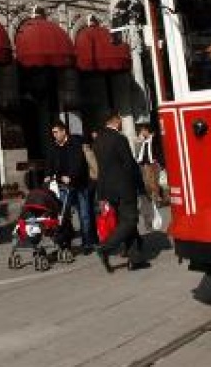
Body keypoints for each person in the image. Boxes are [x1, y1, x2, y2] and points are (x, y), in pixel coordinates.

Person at [93, 112, 146, 273]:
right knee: (130, 220)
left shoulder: (98, 140)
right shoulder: (119, 138)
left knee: (124, 222)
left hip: (108, 190)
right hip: (124, 188)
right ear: (115, 121)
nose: (122, 123)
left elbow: (101, 169)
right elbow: (129, 165)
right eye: (121, 120)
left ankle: (134, 259)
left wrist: (101, 194)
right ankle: (105, 248)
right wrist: (140, 187)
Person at [46, 119, 93, 255]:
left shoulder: (75, 143)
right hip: (62, 186)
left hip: (79, 184)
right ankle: (65, 242)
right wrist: (48, 175)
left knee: (84, 215)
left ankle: (87, 243)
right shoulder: (53, 146)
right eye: (53, 133)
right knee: (63, 215)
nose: (54, 135)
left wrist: (71, 177)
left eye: (56, 132)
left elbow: (79, 163)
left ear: (63, 131)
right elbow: (49, 164)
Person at [136, 123, 164, 231]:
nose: (141, 133)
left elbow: (159, 151)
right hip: (145, 165)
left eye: (143, 131)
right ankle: (155, 198)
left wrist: (160, 163)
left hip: (153, 164)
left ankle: (156, 199)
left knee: (153, 183)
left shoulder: (154, 139)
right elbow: (141, 154)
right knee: (148, 184)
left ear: (147, 131)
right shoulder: (143, 142)